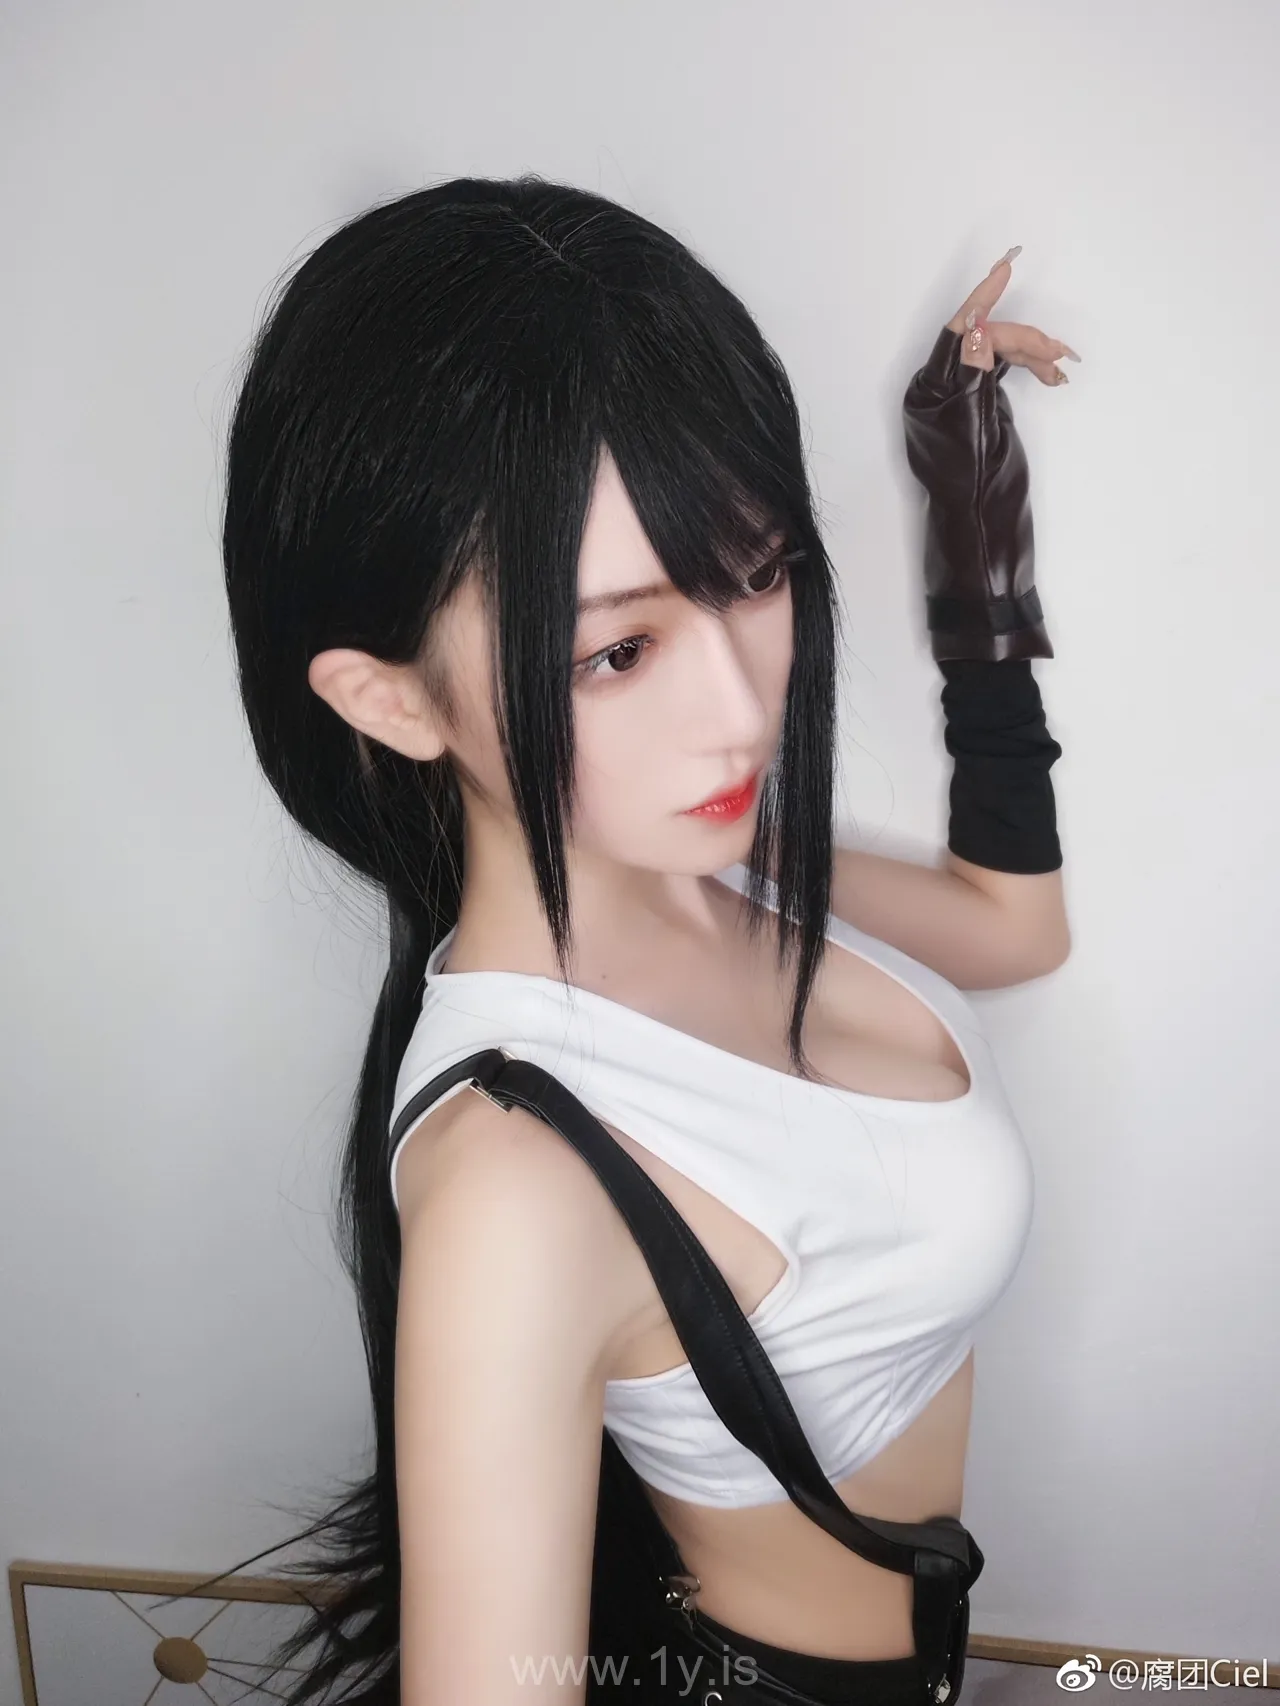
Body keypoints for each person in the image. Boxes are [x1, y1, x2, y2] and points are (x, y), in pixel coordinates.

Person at [209, 175, 1075, 1704]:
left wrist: (972, 516)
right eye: (617, 649)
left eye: (760, 572)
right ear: (389, 699)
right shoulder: (516, 1186)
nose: (742, 710)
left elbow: (1015, 925)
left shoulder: (719, 867)